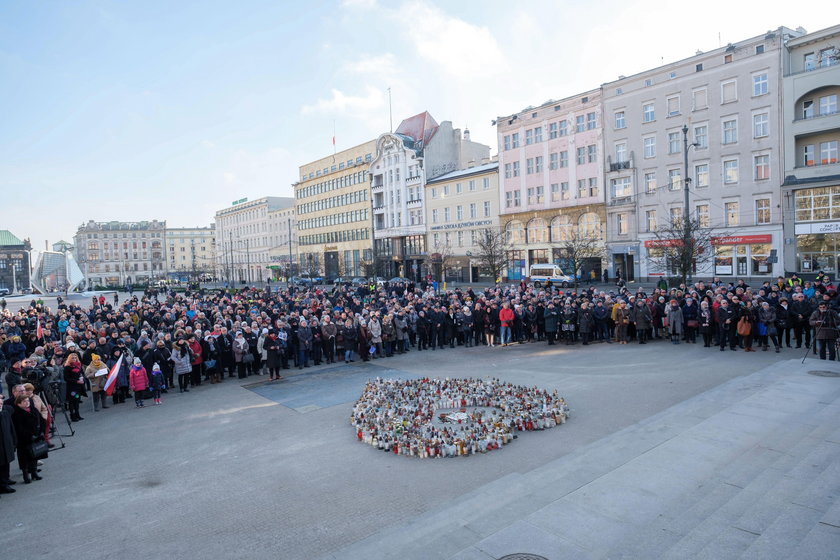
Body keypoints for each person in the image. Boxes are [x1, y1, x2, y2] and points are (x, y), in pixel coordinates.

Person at [11, 394, 43, 484]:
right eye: (24, 401)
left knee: (34, 456)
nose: (27, 403)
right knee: (24, 458)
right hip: (23, 440)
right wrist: (29, 435)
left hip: (35, 437)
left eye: (28, 401)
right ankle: (25, 475)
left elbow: (40, 421)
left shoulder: (34, 410)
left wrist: (41, 432)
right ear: (19, 404)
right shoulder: (16, 414)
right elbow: (19, 428)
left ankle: (34, 473)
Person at [0, 393, 17, 493]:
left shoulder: (5, 413)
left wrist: (14, 441)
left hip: (6, 442)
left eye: (1, 403)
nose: (1, 404)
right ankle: (3, 485)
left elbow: (11, 428)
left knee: (6, 463)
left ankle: (5, 480)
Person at [62, 353, 86, 422]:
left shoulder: (78, 366)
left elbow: (81, 374)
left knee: (77, 401)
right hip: (71, 388)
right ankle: (72, 415)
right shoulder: (67, 367)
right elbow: (66, 378)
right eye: (73, 358)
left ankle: (77, 414)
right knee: (72, 401)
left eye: (75, 358)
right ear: (69, 359)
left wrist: (82, 378)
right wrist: (76, 381)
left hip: (78, 387)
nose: (74, 359)